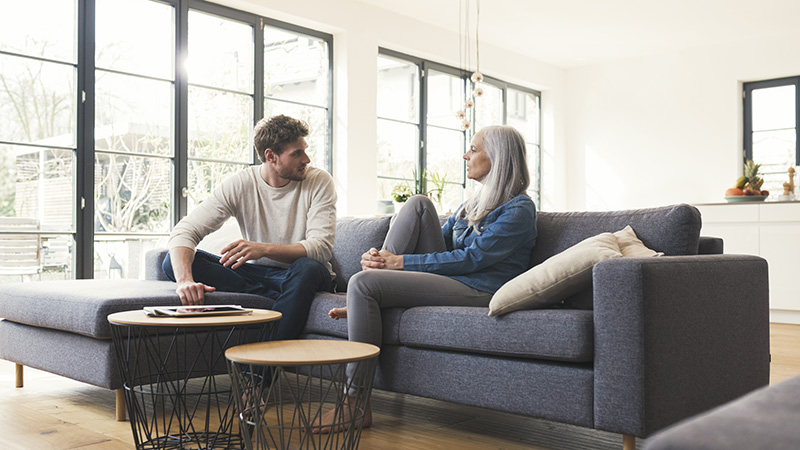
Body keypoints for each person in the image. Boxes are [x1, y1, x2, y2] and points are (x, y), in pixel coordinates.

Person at [316, 125, 538, 432]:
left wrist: (399, 262)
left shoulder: (520, 209)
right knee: (419, 203)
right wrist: (384, 259)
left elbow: (472, 259)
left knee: (363, 284)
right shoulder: (471, 203)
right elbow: (441, 245)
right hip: (457, 280)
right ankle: (366, 299)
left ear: (498, 157)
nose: (465, 155)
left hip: (480, 287)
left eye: (473, 150)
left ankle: (355, 403)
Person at [162, 114, 337, 341]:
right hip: (260, 277)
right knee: (171, 261)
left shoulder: (319, 181)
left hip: (306, 274)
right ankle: (283, 298)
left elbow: (321, 248)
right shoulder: (241, 184)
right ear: (270, 156)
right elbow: (185, 231)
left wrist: (263, 249)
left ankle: (259, 366)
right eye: (297, 153)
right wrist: (185, 281)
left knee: (307, 267)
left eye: (304, 150)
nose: (307, 159)